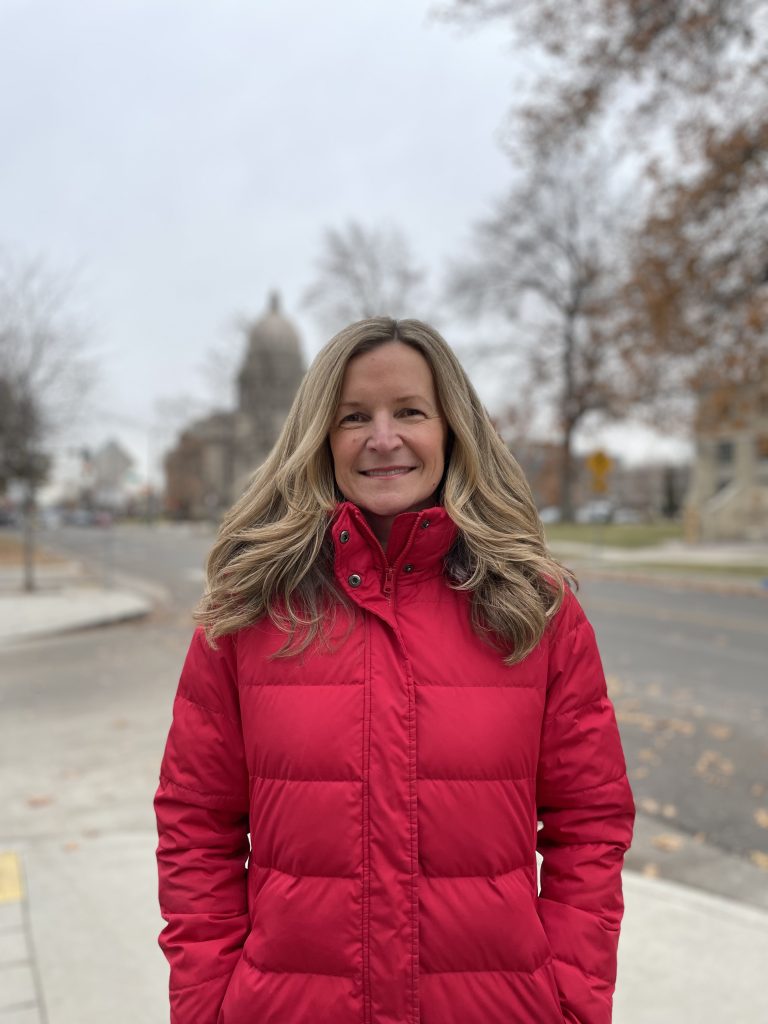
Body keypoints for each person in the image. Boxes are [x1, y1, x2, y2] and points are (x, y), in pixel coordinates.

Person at [154, 317, 635, 1024]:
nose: (384, 439)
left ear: (452, 429)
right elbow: (196, 827)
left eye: (409, 411)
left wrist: (568, 998)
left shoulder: (537, 610)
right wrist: (209, 1006)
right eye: (355, 417)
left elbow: (590, 822)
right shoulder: (247, 615)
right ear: (321, 435)